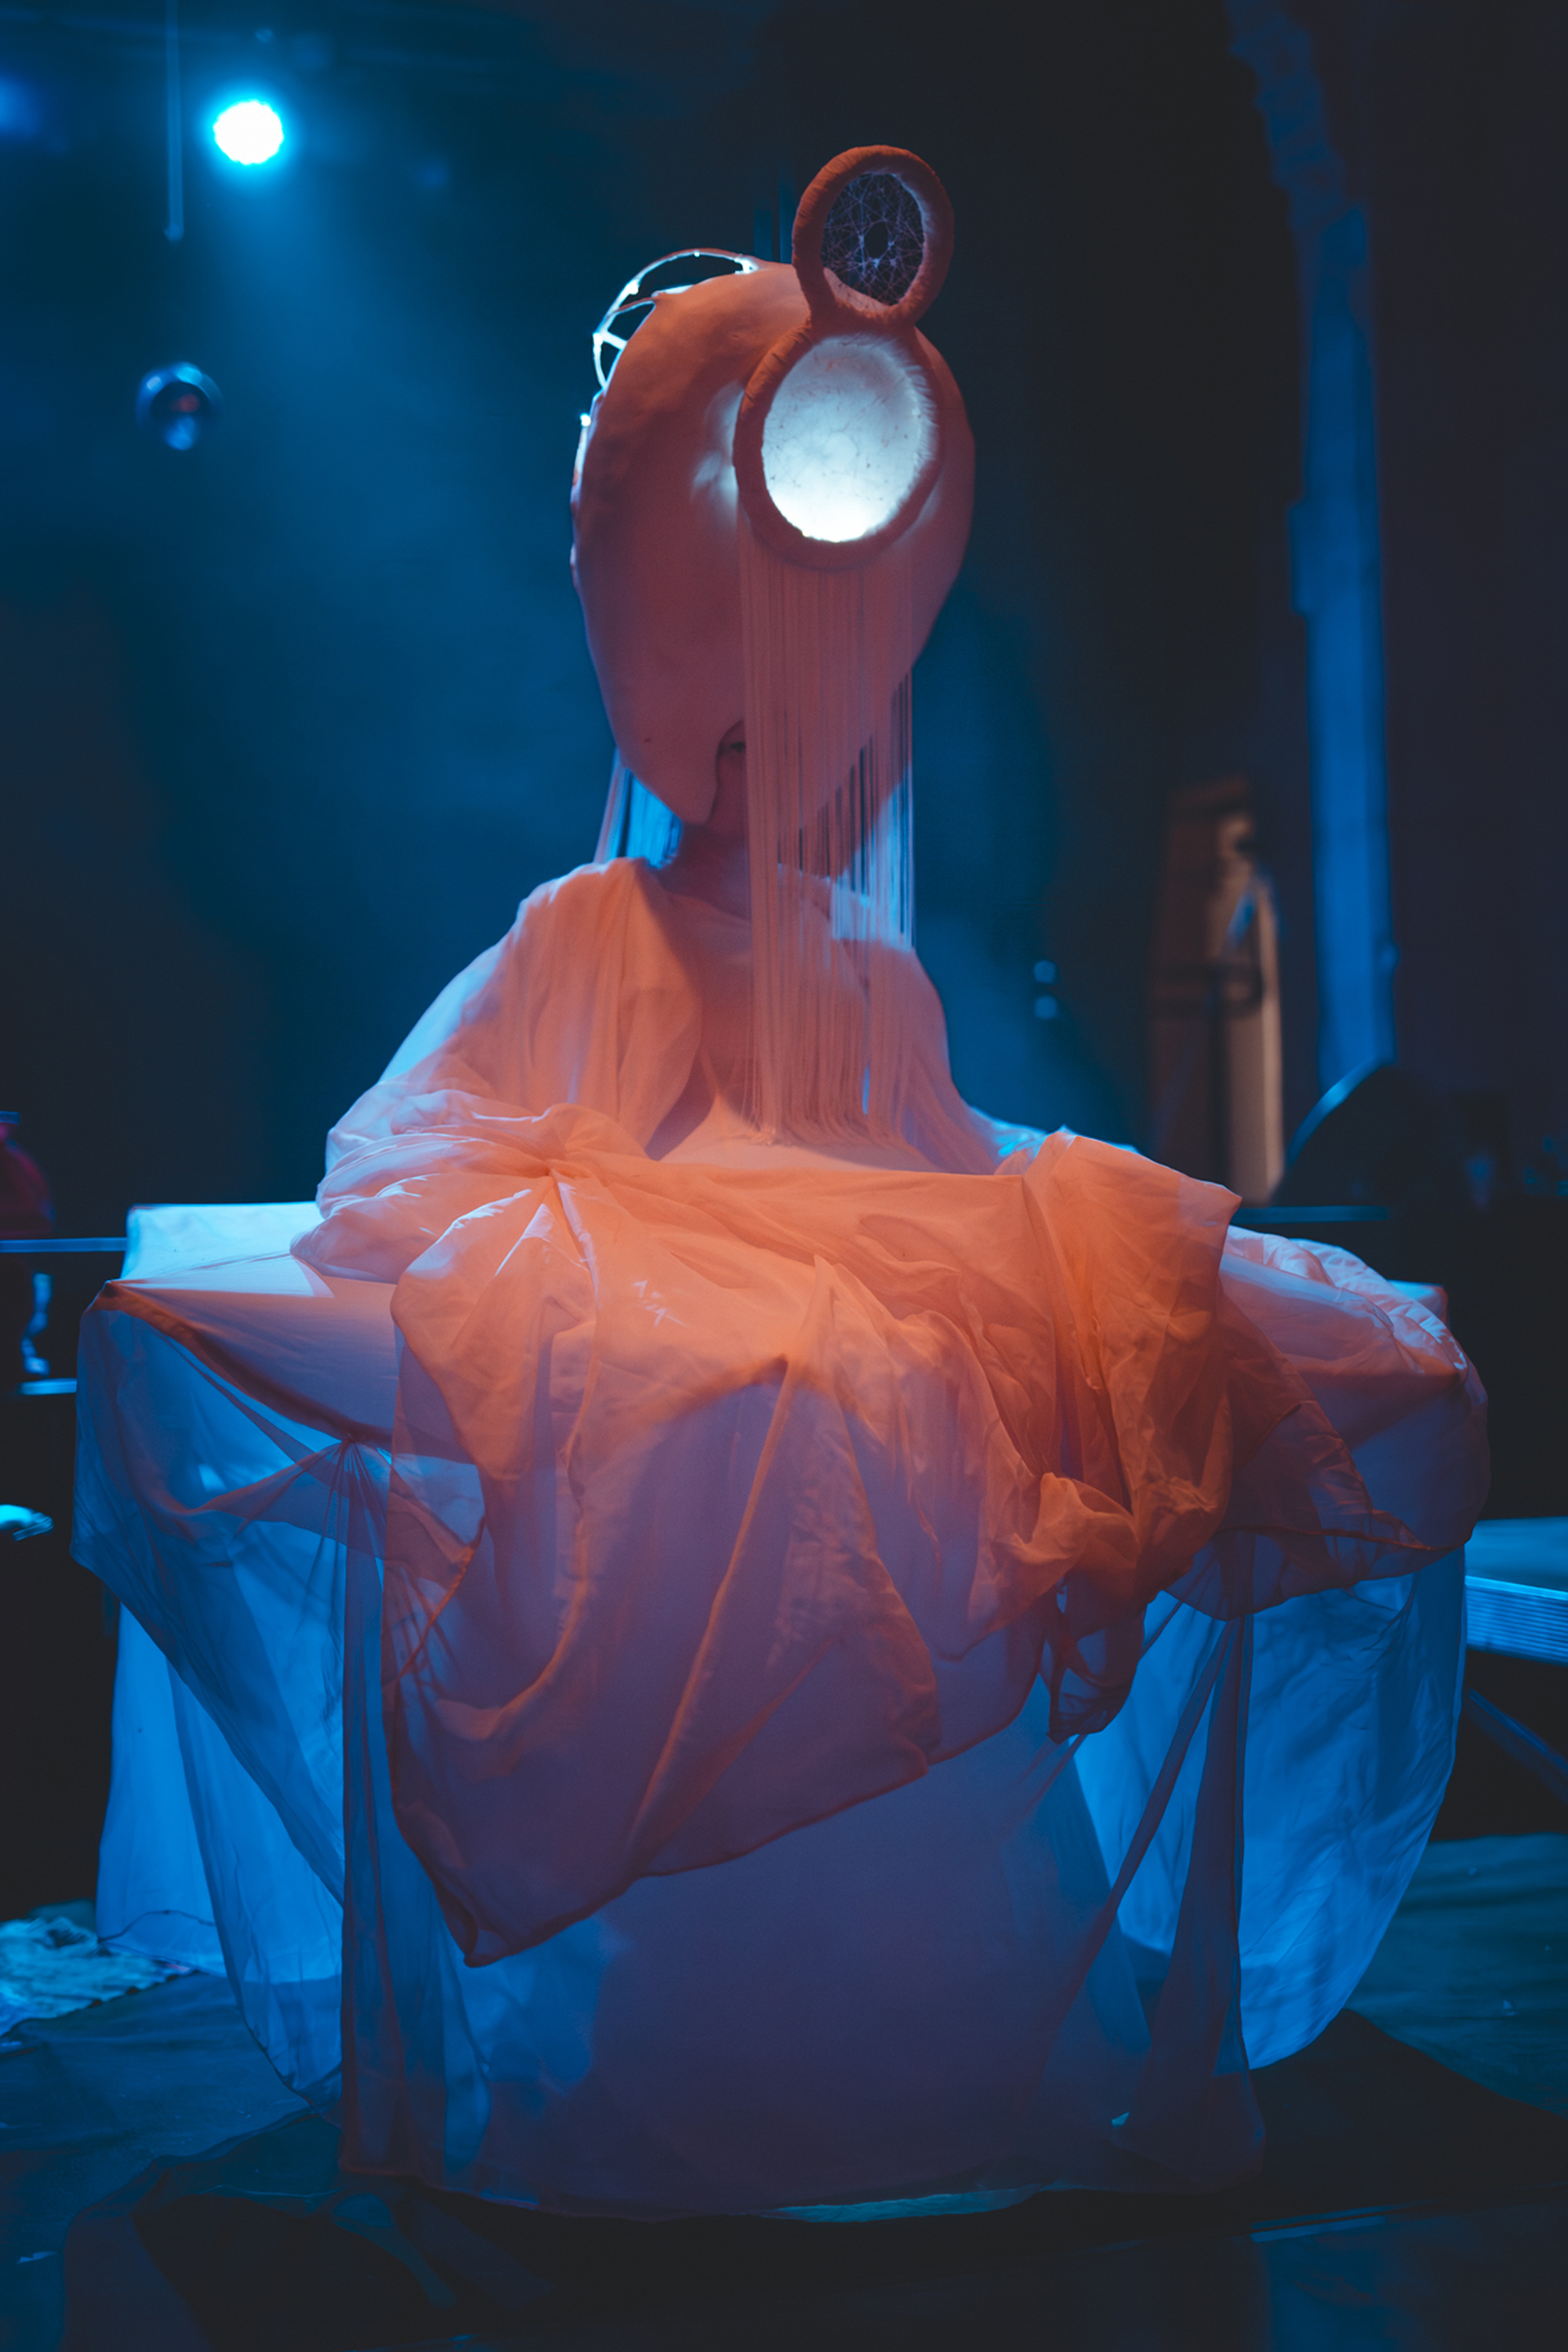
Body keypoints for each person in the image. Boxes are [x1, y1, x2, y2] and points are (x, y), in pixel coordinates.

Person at [77, 147, 1487, 2218]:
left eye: (798, 716)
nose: (770, 753)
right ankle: (741, 2027)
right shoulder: (592, 933)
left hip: (868, 1258)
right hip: (678, 1280)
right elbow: (431, 1156)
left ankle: (902, 2033)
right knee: (753, 1402)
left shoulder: (863, 968)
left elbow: (932, 1162)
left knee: (1018, 1371)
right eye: (731, 718)